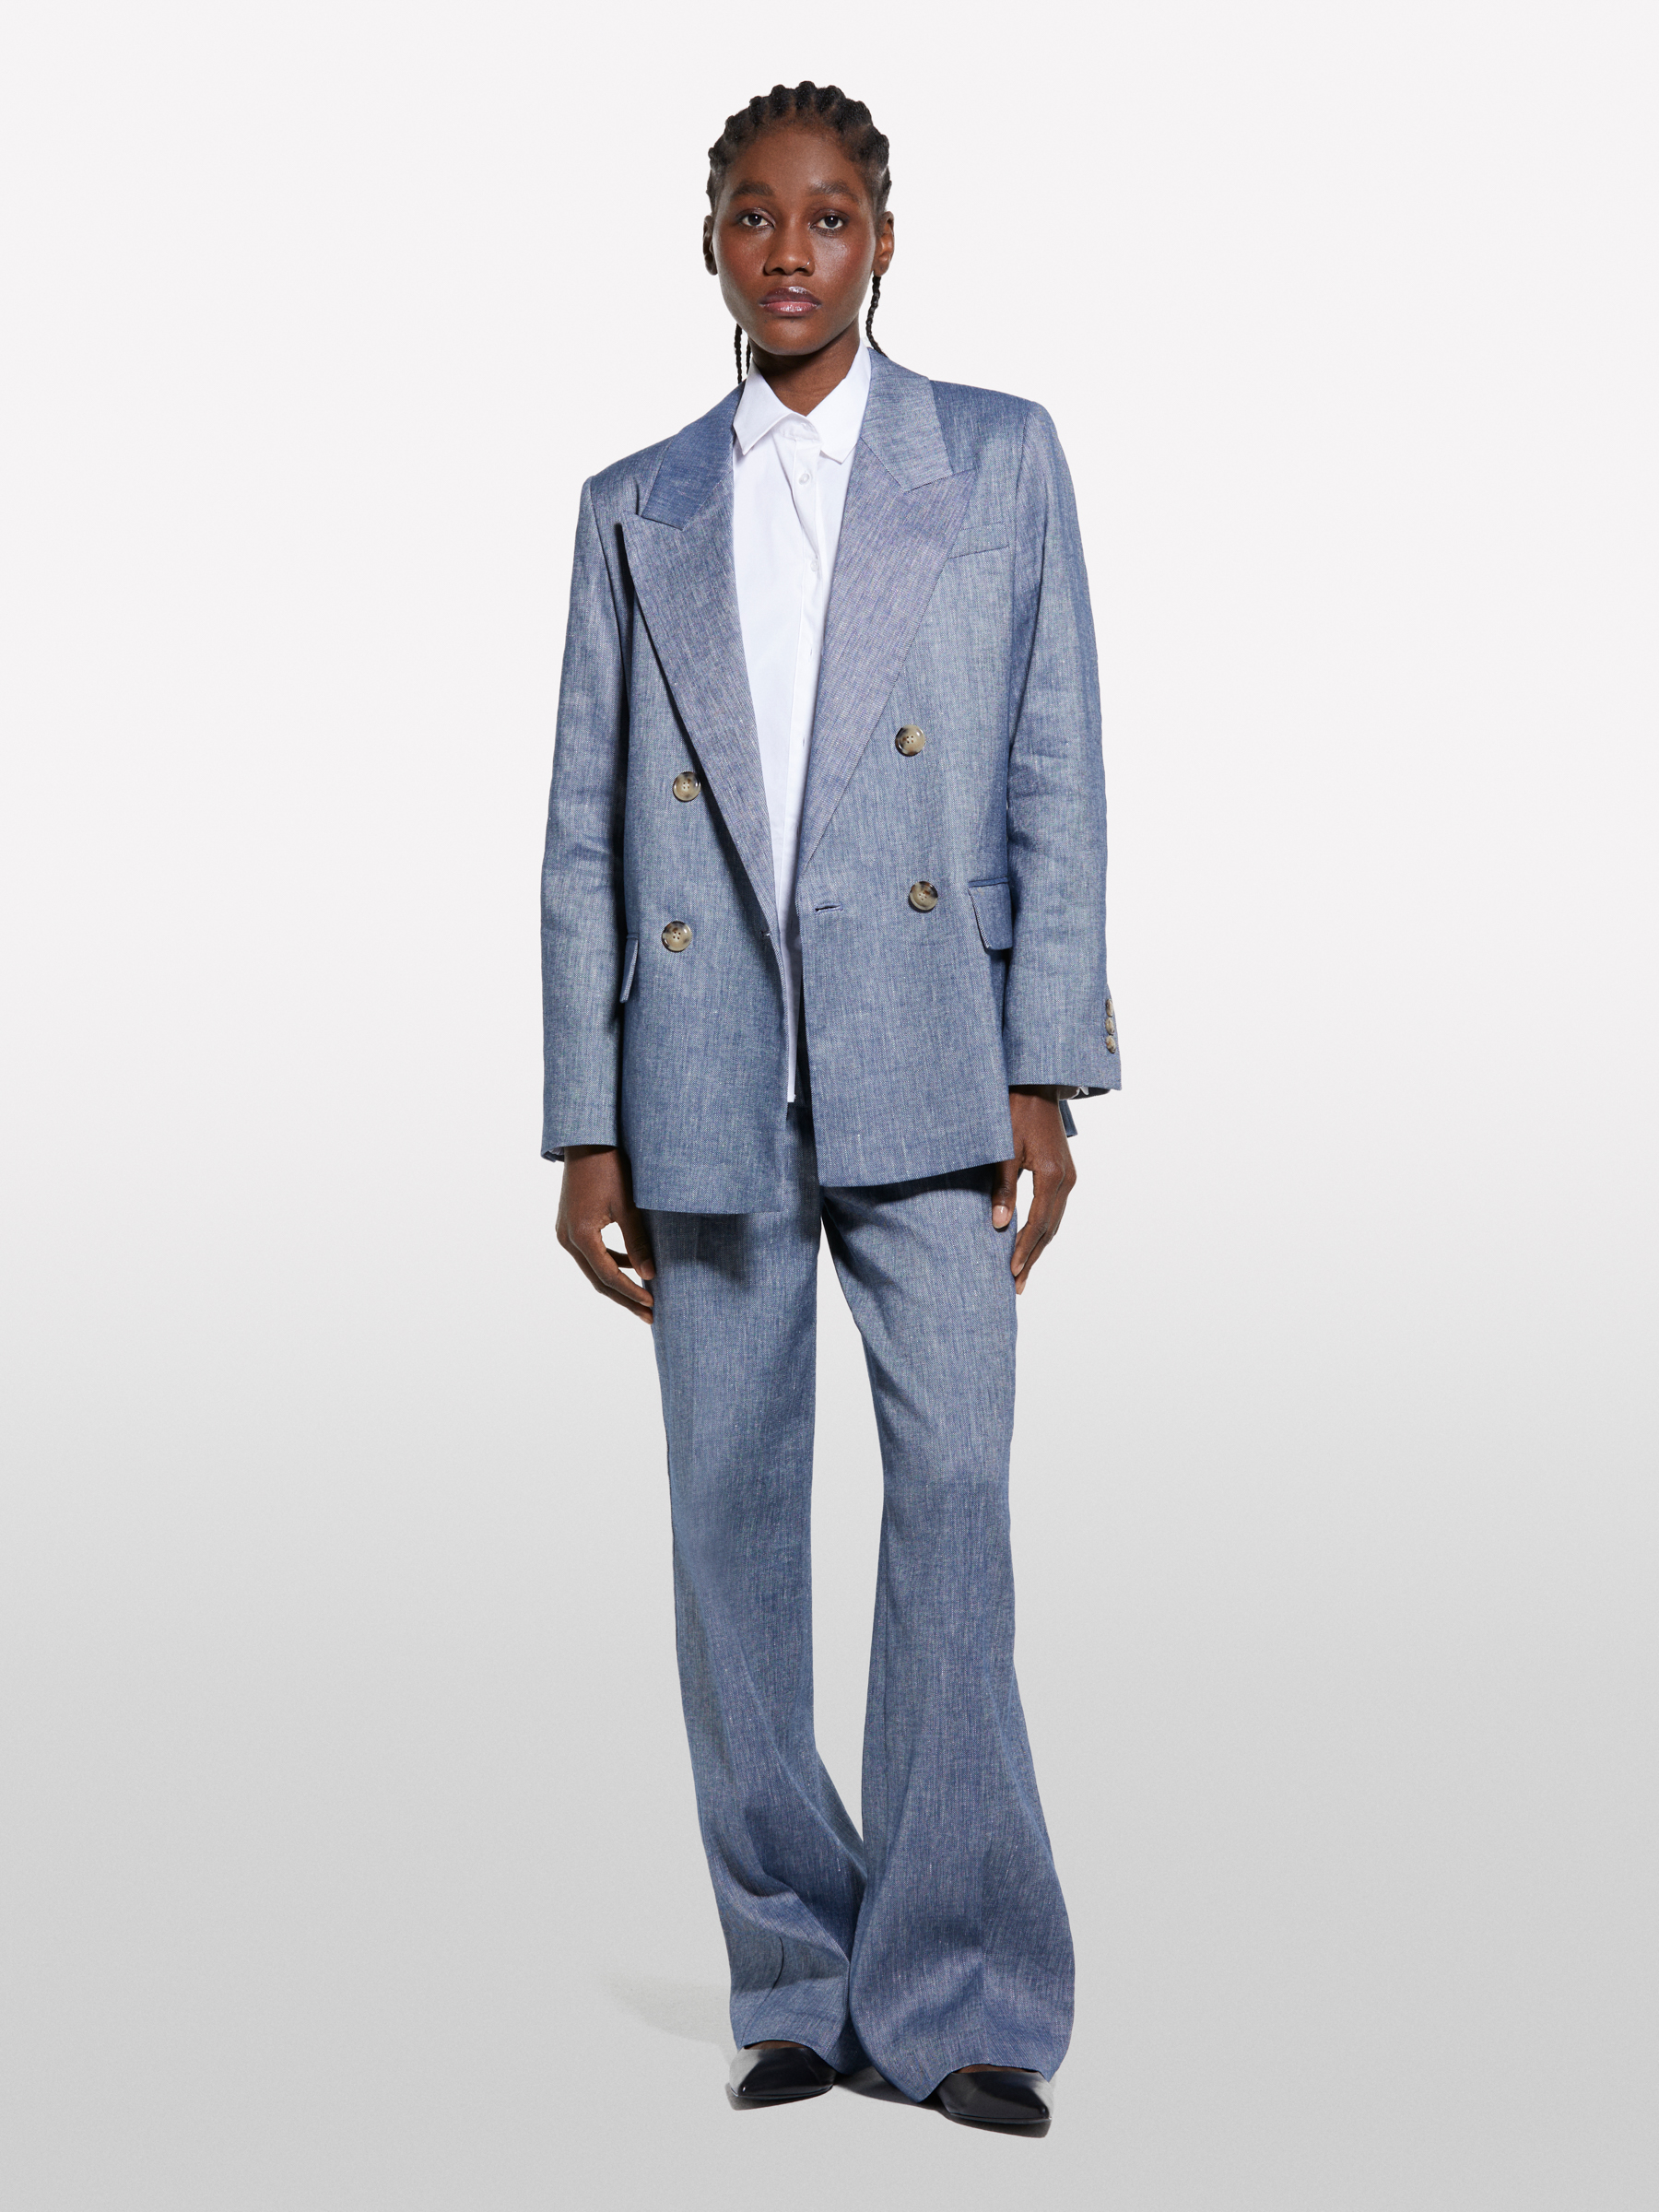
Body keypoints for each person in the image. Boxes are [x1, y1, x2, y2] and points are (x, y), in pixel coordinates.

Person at [540, 81, 1118, 2134]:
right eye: (755, 215)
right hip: (701, 1064)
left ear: (885, 237)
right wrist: (585, 1119)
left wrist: (1046, 1067)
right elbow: (586, 831)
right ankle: (795, 1968)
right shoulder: (637, 503)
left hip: (932, 1056)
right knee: (729, 1527)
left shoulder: (996, 458)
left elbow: (1055, 768)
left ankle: (957, 1988)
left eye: (831, 215)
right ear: (709, 238)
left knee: (954, 1498)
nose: (792, 250)